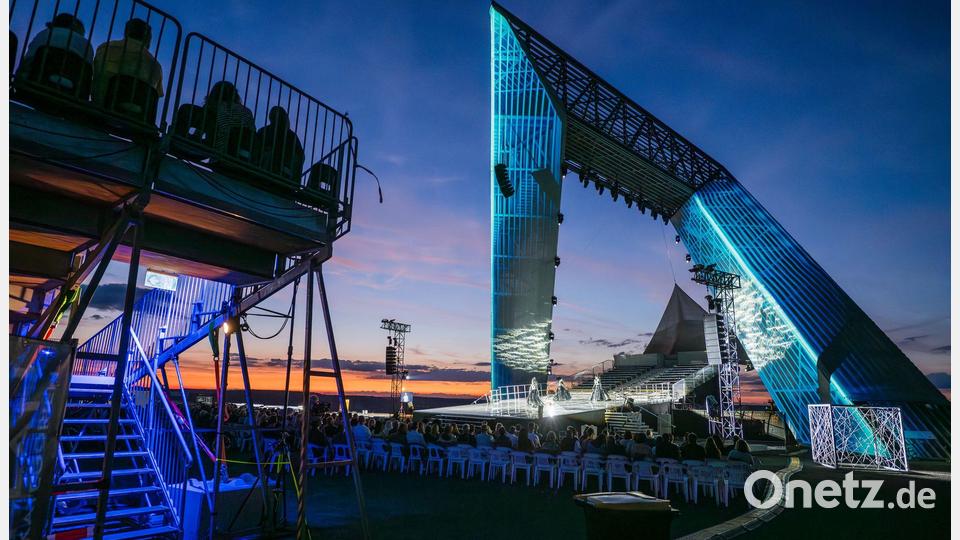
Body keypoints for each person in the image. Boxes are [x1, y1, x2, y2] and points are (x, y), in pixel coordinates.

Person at [91, 18, 163, 121]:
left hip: (101, 106)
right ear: (148, 38)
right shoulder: (155, 65)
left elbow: (95, 73)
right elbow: (155, 96)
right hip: (137, 117)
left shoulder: (105, 48)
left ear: (126, 32)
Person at [19, 13, 94, 97]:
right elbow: (86, 74)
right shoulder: (87, 45)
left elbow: (27, 61)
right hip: (72, 95)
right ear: (75, 25)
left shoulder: (43, 34)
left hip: (33, 86)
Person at [254, 105, 305, 182]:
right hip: (272, 165)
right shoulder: (265, 131)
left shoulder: (290, 135)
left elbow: (300, 155)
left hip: (279, 166)